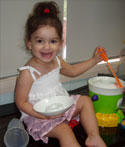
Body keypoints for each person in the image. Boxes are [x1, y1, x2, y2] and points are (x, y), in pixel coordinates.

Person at [15, 1, 106, 147]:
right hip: (37, 116)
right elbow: (21, 102)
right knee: (64, 130)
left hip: (59, 106)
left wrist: (94, 60)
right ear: (29, 43)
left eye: (53, 41)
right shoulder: (28, 73)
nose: (47, 47)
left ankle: (93, 136)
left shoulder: (57, 61)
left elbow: (73, 71)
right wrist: (42, 115)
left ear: (60, 43)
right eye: (39, 41)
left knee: (85, 101)